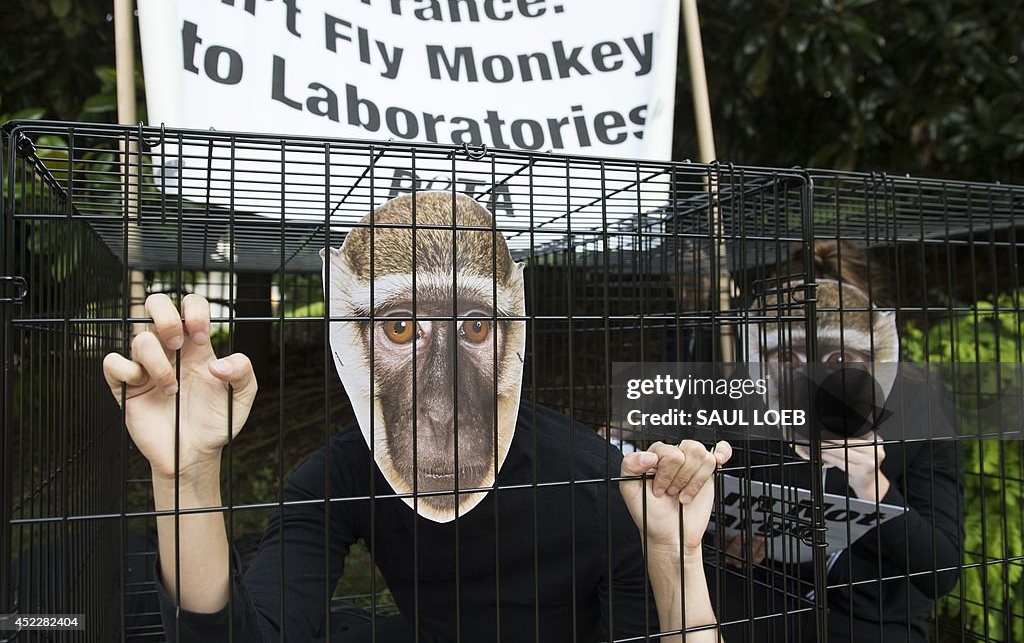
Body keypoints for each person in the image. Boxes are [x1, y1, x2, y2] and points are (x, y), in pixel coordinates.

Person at [102, 192, 731, 643]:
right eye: (401, 328)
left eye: (475, 327)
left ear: (511, 339)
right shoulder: (340, 474)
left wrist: (674, 558)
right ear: (352, 345)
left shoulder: (599, 481)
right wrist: (187, 473)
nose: (443, 397)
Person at [713, 241, 962, 642]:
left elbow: (941, 571)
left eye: (839, 357)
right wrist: (730, 542)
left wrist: (874, 488)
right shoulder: (750, 402)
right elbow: (721, 515)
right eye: (790, 357)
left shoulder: (918, 408)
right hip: (762, 615)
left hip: (873, 624)